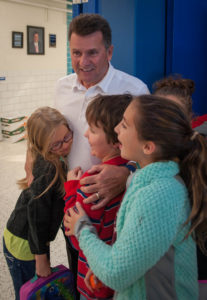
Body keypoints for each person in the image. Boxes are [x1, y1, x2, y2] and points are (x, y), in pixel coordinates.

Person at [64, 94, 207, 299]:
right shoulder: (145, 178)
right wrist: (105, 261)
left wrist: (81, 227)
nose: (115, 130)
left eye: (124, 125)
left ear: (148, 147)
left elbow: (116, 273)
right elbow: (136, 249)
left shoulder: (158, 195)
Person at [55, 13, 149, 293]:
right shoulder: (61, 87)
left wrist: (127, 173)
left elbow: (159, 154)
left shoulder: (135, 91)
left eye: (93, 53)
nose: (84, 62)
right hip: (74, 200)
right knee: (80, 267)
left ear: (109, 51)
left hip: (118, 212)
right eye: (77, 53)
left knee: (115, 281)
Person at [64, 94, 132, 300]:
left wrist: (71, 188)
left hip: (95, 282)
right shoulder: (134, 170)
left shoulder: (93, 182)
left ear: (116, 140)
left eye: (93, 130)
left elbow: (75, 237)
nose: (85, 134)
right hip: (124, 279)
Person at [3, 107, 73, 300]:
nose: (65, 146)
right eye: (56, 145)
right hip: (23, 244)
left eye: (67, 137)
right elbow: (36, 218)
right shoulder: (47, 172)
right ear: (41, 146)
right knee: (29, 293)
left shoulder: (53, 157)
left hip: (34, 241)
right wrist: (41, 258)